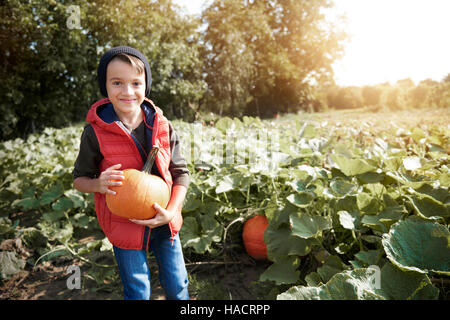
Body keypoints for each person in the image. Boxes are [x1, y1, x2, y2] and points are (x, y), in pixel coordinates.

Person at [72, 46, 190, 300]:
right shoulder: (95, 132)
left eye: (136, 83)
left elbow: (181, 174)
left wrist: (172, 211)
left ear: (145, 85)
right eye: (117, 82)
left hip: (164, 217)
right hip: (123, 222)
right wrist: (98, 184)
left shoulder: (162, 126)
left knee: (178, 284)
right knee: (137, 290)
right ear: (105, 86)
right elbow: (79, 179)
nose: (127, 91)